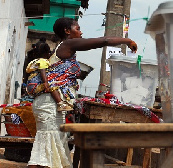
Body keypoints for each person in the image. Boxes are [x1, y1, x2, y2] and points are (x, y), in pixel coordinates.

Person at [27, 17, 137, 168]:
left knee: (51, 152)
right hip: (49, 104)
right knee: (44, 154)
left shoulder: (61, 48)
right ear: (67, 31)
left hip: (51, 104)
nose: (81, 32)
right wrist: (127, 41)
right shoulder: (68, 44)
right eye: (77, 28)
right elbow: (104, 41)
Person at [26, 41, 74, 112]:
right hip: (35, 85)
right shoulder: (43, 61)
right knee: (53, 84)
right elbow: (42, 71)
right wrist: (45, 82)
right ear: (46, 53)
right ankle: (60, 103)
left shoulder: (34, 61)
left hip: (30, 85)